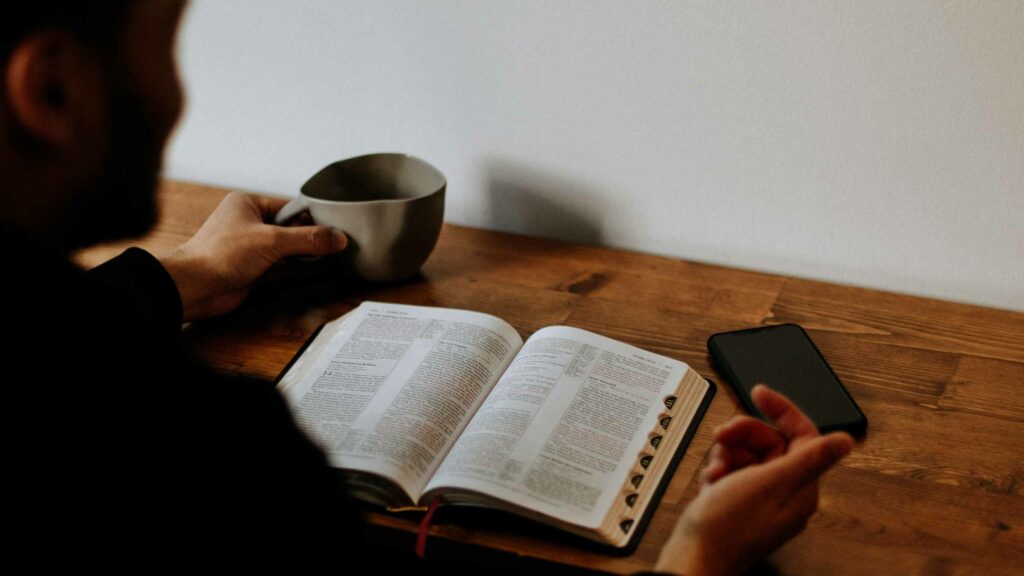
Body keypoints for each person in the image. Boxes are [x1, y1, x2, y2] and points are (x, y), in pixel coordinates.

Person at [0, 1, 853, 572]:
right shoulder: (219, 460)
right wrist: (699, 556)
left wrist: (185, 276)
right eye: (167, 40)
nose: (175, 89)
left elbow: (46, 335)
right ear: (52, 88)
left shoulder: (59, 333)